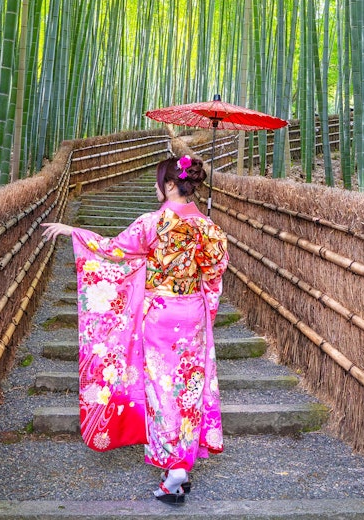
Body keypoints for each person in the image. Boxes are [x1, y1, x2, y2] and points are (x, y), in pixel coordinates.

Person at [41, 154, 229, 504]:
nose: (156, 187)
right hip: (194, 314)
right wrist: (206, 311)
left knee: (161, 390)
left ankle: (174, 472)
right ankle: (181, 465)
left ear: (171, 185)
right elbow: (214, 275)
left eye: (160, 181)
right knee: (187, 387)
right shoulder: (210, 228)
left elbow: (113, 251)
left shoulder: (150, 224)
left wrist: (75, 232)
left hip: (159, 314)